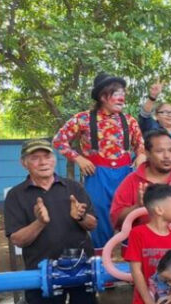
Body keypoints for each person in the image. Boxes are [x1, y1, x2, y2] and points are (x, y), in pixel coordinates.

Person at [3, 139, 121, 304]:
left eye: (46, 156)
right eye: (35, 158)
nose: (42, 161)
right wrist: (39, 222)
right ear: (24, 163)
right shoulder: (17, 195)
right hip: (42, 273)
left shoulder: (73, 187)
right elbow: (17, 239)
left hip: (81, 266)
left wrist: (80, 216)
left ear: (54, 159)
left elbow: (92, 224)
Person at [53, 73, 146, 248]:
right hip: (97, 176)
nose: (122, 96)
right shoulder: (83, 118)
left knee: (131, 217)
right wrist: (78, 158)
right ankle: (100, 265)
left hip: (125, 175)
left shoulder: (129, 120)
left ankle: (132, 265)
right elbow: (59, 140)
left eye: (123, 92)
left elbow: (140, 144)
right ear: (103, 96)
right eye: (117, 92)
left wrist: (141, 154)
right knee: (99, 217)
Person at [110, 130, 171, 230]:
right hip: (144, 244)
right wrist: (138, 207)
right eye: (159, 151)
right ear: (147, 153)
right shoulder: (132, 180)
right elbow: (116, 220)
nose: (167, 156)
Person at [139, 82, 171, 162]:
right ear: (156, 116)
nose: (170, 115)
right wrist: (152, 97)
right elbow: (145, 115)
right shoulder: (152, 129)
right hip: (158, 173)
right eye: (165, 112)